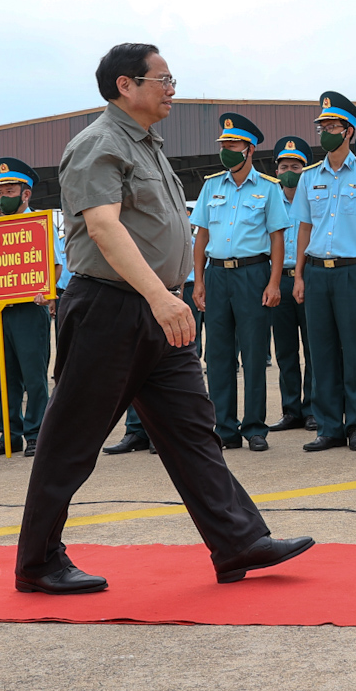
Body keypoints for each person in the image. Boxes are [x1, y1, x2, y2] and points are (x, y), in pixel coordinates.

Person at [16, 43, 311, 595]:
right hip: (113, 308)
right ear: (125, 85)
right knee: (72, 439)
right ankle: (37, 561)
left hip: (160, 309)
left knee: (193, 431)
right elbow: (104, 228)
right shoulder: (97, 145)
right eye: (163, 78)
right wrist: (160, 296)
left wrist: (168, 297)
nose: (172, 88)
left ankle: (237, 541)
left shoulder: (149, 144)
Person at [293, 91, 356, 453]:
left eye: (333, 126)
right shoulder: (308, 177)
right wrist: (300, 275)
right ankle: (330, 427)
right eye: (322, 126)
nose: (326, 131)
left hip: (353, 272)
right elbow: (304, 227)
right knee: (321, 352)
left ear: (349, 131)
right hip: (318, 272)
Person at [189, 115, 288, 452]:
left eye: (232, 145)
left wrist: (274, 283)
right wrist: (199, 281)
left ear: (249, 149)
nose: (225, 151)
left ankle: (255, 427)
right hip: (217, 274)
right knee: (217, 355)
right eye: (223, 145)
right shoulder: (211, 186)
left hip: (253, 274)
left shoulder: (268, 188)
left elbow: (277, 239)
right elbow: (201, 236)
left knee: (254, 352)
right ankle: (225, 428)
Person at [0, 157, 54, 457]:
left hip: (29, 310)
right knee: (2, 376)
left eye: (9, 191)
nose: (2, 197)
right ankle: (8, 436)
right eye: (0, 192)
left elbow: (57, 265)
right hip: (0, 311)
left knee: (34, 376)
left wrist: (46, 292)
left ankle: (36, 433)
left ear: (26, 194)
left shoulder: (41, 223)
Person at [266, 134, 312, 433]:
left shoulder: (313, 196)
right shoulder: (269, 198)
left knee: (314, 349)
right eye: (283, 166)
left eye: (295, 166)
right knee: (284, 351)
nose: (288, 172)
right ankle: (291, 410)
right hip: (279, 280)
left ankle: (313, 410)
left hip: (308, 280)